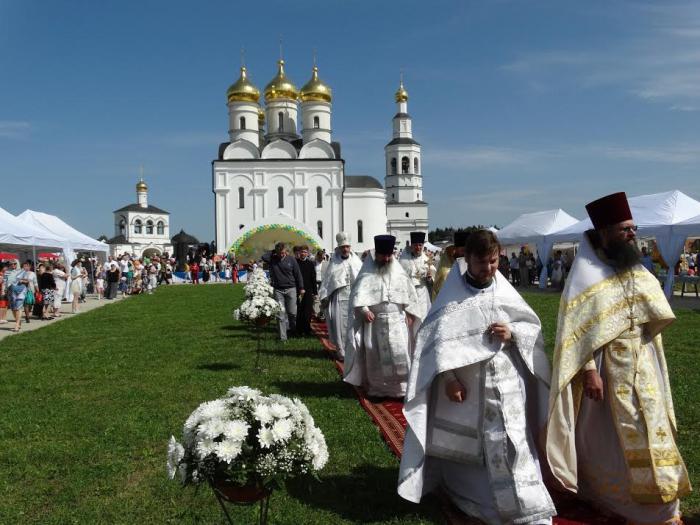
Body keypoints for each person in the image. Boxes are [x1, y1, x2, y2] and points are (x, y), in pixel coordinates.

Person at [546, 192, 690, 524]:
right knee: (610, 439)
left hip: (644, 365)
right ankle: (621, 498)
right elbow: (576, 336)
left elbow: (653, 312)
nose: (631, 234)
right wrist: (589, 372)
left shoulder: (632, 267)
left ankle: (662, 498)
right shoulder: (584, 278)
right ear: (605, 231)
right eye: (625, 228)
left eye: (633, 227)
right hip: (606, 372)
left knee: (653, 429)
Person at [398, 229, 555, 524]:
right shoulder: (452, 297)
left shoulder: (504, 289)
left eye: (494, 262)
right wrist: (449, 381)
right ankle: (482, 499)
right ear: (467, 259)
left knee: (514, 439)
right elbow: (433, 347)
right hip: (470, 390)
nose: (489, 269)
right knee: (480, 449)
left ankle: (528, 503)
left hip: (508, 383)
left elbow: (531, 328)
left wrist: (512, 334)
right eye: (483, 262)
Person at [344, 235, 422, 398]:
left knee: (400, 355)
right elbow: (357, 297)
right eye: (383, 255)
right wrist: (365, 310)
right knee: (376, 356)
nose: (386, 259)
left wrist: (409, 312)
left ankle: (401, 390)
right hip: (375, 324)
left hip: (397, 323)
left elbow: (410, 295)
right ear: (376, 254)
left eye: (389, 255)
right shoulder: (367, 274)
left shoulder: (399, 272)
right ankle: (377, 390)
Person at [318, 232, 362, 359]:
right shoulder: (333, 263)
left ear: (350, 247)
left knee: (354, 325)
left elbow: (362, 279)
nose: (345, 249)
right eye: (343, 247)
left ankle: (355, 350)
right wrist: (324, 296)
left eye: (347, 247)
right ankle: (341, 351)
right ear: (339, 248)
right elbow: (327, 281)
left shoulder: (357, 262)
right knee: (340, 326)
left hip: (354, 298)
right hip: (339, 298)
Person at [262, 242, 304, 341]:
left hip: (291, 289)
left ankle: (293, 331)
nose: (282, 254)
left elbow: (298, 274)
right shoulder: (272, 259)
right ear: (276, 252)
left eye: (283, 252)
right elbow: (263, 257)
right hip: (278, 290)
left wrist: (301, 287)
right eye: (280, 253)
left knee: (292, 313)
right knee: (280, 314)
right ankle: (283, 337)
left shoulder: (291, 259)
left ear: (286, 251)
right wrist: (273, 252)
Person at [399, 232, 435, 324]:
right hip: (409, 294)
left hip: (422, 293)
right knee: (411, 321)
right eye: (415, 245)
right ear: (411, 245)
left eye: (420, 245)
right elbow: (400, 278)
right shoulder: (404, 260)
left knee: (423, 318)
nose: (418, 247)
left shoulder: (426, 259)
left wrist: (429, 279)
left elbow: (432, 281)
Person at [432, 231, 468, 300]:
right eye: (463, 250)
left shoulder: (471, 262)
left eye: (468, 250)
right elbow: (441, 296)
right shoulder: (446, 272)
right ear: (456, 249)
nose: (465, 253)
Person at [295, 245, 317, 336]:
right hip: (298, 290)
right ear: (299, 253)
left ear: (307, 253)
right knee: (299, 309)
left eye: (305, 252)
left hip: (308, 290)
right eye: (301, 252)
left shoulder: (310, 264)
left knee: (308, 310)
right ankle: (299, 330)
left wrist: (315, 292)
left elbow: (313, 278)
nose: (303, 253)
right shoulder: (295, 263)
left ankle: (307, 329)